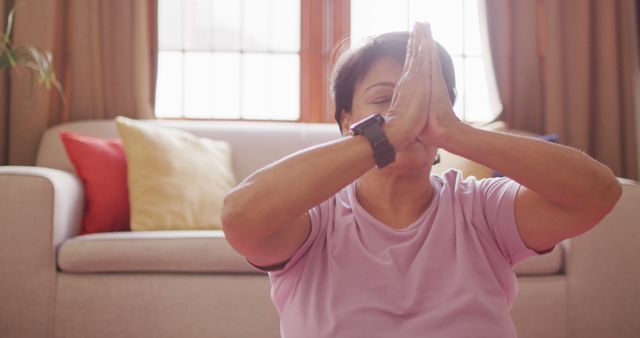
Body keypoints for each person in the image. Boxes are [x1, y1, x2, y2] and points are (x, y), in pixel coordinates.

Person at [221, 22, 622, 337]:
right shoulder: (315, 217)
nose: (409, 119)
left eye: (422, 105)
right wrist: (389, 133)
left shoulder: (481, 209)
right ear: (347, 122)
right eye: (383, 100)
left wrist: (455, 130)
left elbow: (599, 193)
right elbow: (239, 217)